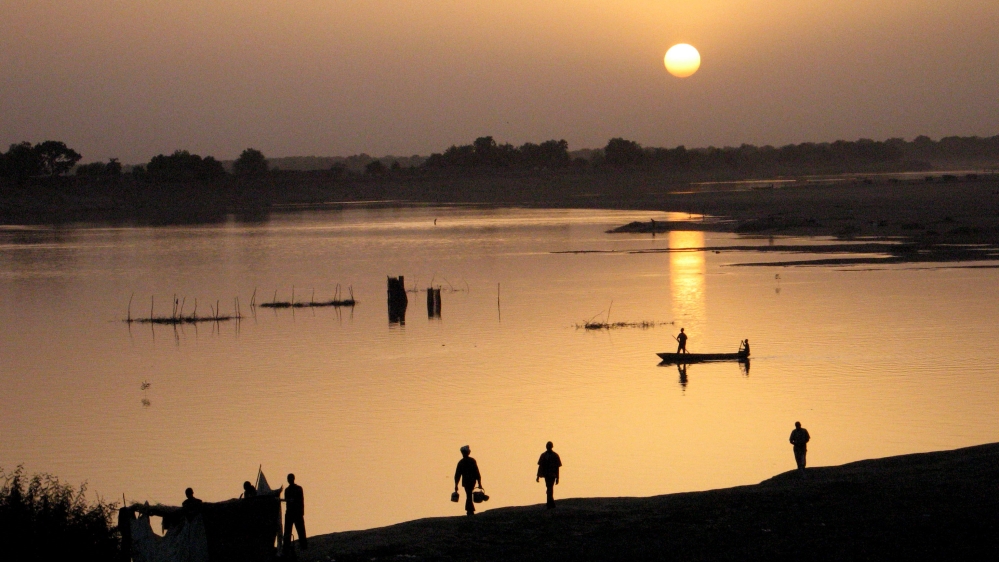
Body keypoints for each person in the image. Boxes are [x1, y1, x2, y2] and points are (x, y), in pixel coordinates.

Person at [454, 445, 482, 516]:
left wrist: (456, 485)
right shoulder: (472, 461)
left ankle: (469, 510)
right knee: (469, 495)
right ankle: (470, 510)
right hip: (471, 481)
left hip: (466, 482)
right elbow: (477, 473)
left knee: (468, 495)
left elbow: (457, 475)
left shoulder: (461, 462)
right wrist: (479, 483)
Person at [283, 474, 307, 549]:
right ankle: (287, 546)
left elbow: (301, 501)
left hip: (296, 512)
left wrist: (301, 512)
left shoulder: (298, 489)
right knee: (288, 531)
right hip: (291, 513)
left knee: (300, 530)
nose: (289, 480)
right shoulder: (287, 490)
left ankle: (303, 545)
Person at [536, 441, 562, 509]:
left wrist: (557, 477)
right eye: (547, 446)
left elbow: (557, 468)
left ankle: (549, 503)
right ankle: (551, 503)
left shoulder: (555, 455)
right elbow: (540, 466)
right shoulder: (543, 455)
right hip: (546, 475)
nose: (548, 447)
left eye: (549, 446)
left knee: (550, 488)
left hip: (552, 475)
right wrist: (538, 476)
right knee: (549, 487)